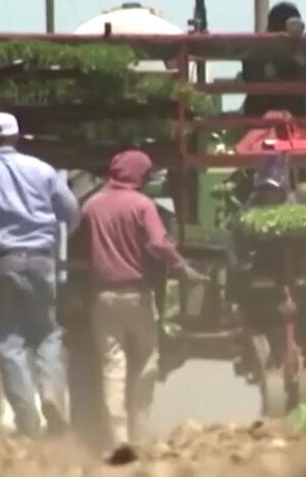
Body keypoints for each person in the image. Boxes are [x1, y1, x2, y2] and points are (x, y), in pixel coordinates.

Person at [72, 150, 207, 450]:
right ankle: (141, 426)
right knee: (146, 359)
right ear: (139, 175)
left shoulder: (91, 207)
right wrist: (182, 267)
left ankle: (118, 436)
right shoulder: (143, 205)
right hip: (137, 294)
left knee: (112, 364)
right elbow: (159, 243)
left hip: (102, 295)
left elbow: (79, 246)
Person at [0, 112, 80, 436]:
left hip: (1, 263)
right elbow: (70, 210)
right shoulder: (42, 170)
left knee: (9, 342)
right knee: (47, 333)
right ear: (16, 137)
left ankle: (27, 419)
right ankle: (52, 395)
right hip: (42, 261)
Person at [241, 2, 306, 118]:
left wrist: (301, 66)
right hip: (263, 123)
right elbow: (251, 76)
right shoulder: (258, 54)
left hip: (298, 126)